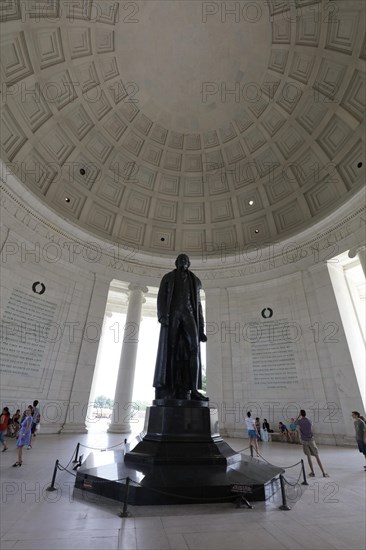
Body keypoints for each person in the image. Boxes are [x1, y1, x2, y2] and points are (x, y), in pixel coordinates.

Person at [153, 254, 208, 401]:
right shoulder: (167, 278)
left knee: (194, 349)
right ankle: (170, 389)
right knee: (170, 350)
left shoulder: (195, 281)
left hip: (189, 314)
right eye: (180, 260)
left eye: (185, 260)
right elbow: (161, 298)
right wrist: (162, 316)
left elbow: (199, 306)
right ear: (176, 262)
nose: (182, 262)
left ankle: (194, 390)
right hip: (173, 314)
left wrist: (201, 329)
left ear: (189, 263)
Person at [295, 409, 329, 477]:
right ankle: (323, 472)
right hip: (311, 440)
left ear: (301, 414)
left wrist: (299, 416)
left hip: (304, 441)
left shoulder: (300, 421)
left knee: (308, 456)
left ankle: (312, 472)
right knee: (317, 456)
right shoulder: (309, 421)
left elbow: (295, 422)